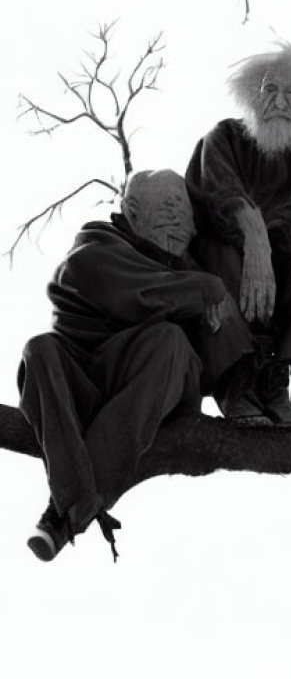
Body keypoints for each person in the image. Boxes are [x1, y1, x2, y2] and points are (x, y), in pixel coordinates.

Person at [18, 170, 253, 561]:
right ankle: (76, 504)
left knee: (169, 342)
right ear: (131, 212)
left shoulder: (187, 269)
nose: (183, 223)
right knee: (39, 350)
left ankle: (63, 511)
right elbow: (127, 289)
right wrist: (202, 289)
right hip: (84, 380)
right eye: (169, 206)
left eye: (186, 211)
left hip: (156, 390)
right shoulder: (94, 248)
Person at [185, 44, 291, 424]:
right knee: (217, 254)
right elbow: (215, 197)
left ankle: (276, 372)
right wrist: (251, 233)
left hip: (286, 262)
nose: (278, 101)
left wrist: (269, 240)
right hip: (225, 262)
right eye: (269, 90)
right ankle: (234, 377)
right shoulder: (223, 137)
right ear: (253, 95)